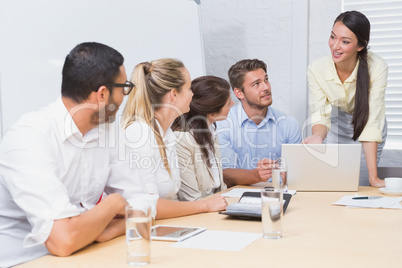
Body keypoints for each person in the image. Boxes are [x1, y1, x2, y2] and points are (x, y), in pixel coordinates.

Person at [0, 42, 133, 267]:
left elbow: (141, 207)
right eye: (124, 88)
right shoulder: (29, 136)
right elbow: (63, 240)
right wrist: (113, 204)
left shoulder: (107, 130)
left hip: (86, 252)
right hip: (26, 261)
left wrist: (103, 231)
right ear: (103, 94)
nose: (124, 97)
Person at [109, 59, 228, 220]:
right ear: (174, 95)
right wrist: (205, 205)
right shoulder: (140, 133)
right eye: (188, 89)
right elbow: (147, 205)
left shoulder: (166, 134)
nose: (192, 94)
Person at [302, 11, 388, 187]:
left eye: (345, 41)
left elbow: (372, 122)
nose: (335, 46)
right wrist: (318, 136)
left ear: (361, 45)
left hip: (367, 124)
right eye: (333, 37)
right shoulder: (317, 69)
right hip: (336, 126)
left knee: (363, 184)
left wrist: (374, 178)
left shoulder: (377, 67)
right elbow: (320, 113)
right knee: (335, 183)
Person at [216, 59, 302, 188]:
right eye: (256, 84)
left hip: (278, 194)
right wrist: (256, 175)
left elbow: (297, 171)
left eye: (266, 80)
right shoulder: (223, 124)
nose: (266, 87)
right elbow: (224, 174)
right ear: (239, 93)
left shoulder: (288, 123)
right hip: (236, 197)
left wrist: (288, 172)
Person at [171, 76, 234, 201]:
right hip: (196, 213)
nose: (232, 104)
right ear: (212, 114)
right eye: (228, 103)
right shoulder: (182, 140)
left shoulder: (211, 131)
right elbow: (190, 199)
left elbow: (220, 187)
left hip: (214, 206)